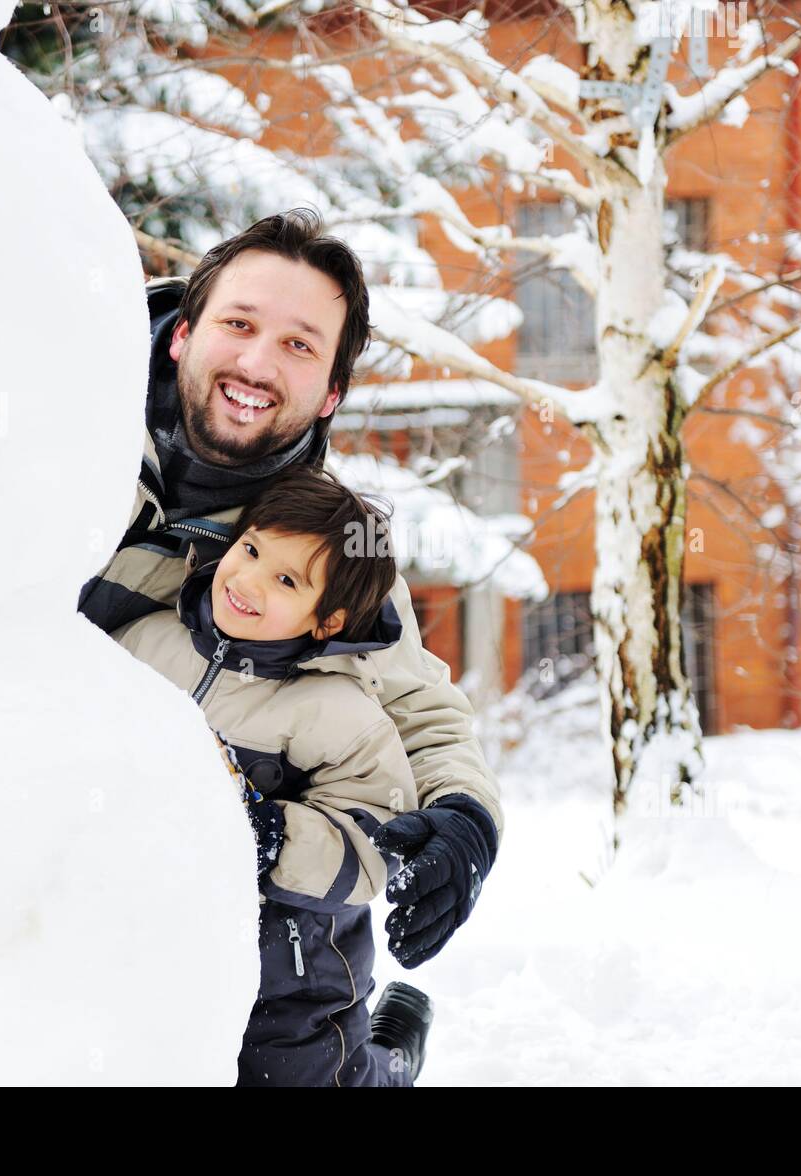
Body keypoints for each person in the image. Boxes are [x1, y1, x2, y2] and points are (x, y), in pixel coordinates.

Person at [77, 207, 503, 1050]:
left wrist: (466, 818)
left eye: (300, 346)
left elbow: (415, 704)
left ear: (331, 394)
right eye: (239, 324)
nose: (257, 363)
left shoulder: (322, 546)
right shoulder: (66, 428)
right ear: (181, 333)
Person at [113, 465, 447, 1085]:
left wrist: (265, 836)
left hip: (293, 975)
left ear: (328, 621)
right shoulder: (142, 642)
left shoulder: (341, 715)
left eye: (286, 579)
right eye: (251, 549)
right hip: (168, 934)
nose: (248, 579)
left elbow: (375, 840)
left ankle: (393, 1057)